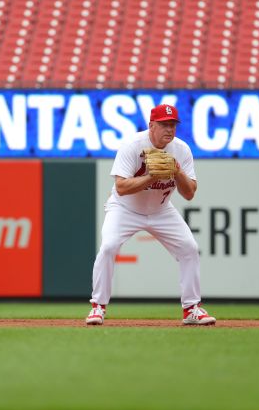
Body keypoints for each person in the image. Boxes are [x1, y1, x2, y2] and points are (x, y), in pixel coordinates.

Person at [85, 104, 215, 326]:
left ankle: (192, 309)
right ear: (151, 125)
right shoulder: (133, 146)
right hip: (124, 209)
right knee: (108, 247)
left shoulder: (181, 150)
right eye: (164, 124)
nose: (169, 129)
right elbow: (121, 187)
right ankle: (98, 307)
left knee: (189, 248)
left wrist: (177, 171)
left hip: (161, 210)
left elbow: (190, 193)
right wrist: (150, 177)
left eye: (173, 124)